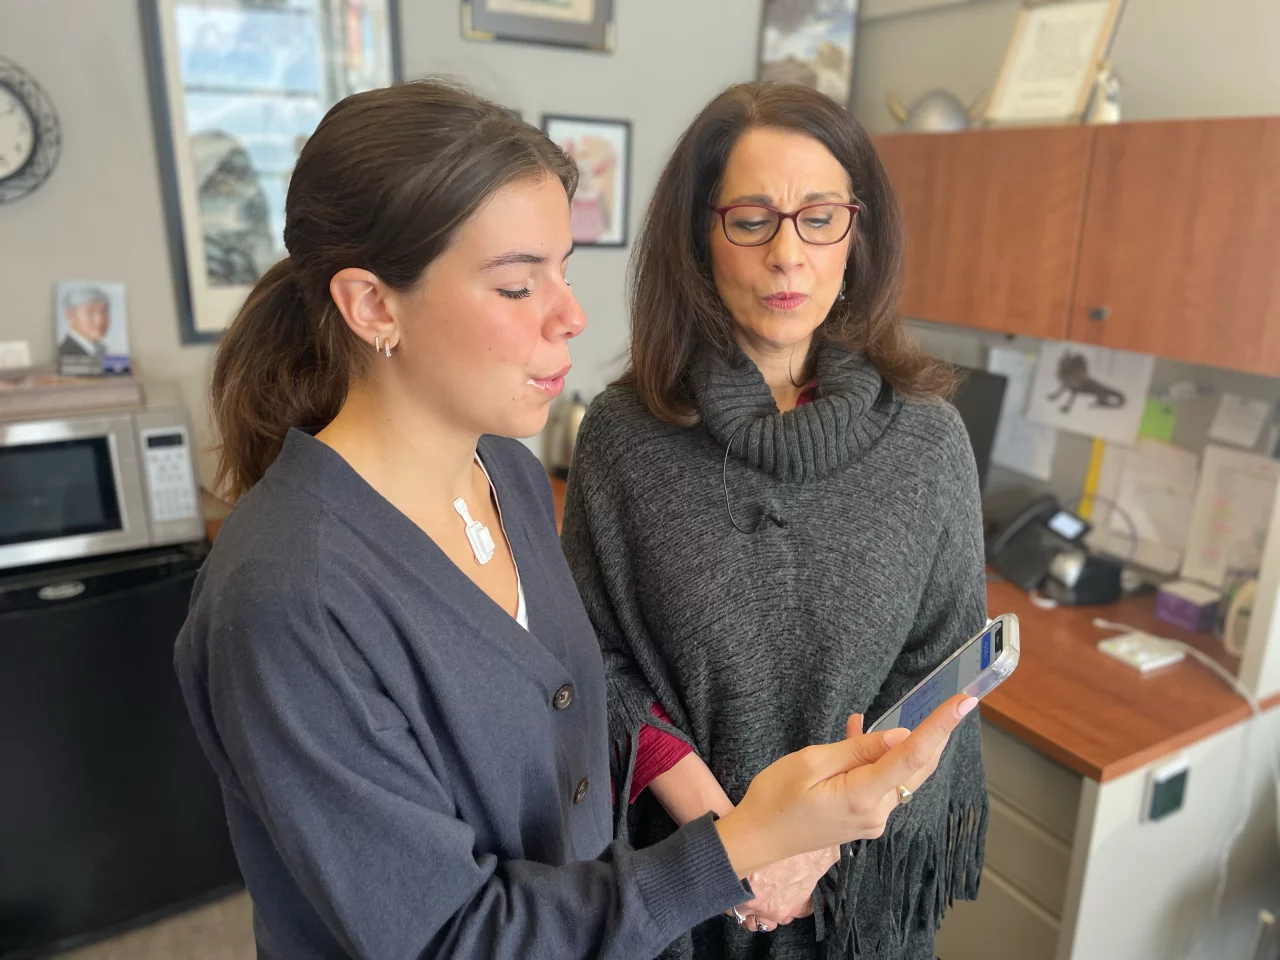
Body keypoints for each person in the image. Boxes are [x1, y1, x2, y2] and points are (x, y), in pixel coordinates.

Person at [173, 80, 977, 960]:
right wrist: (736, 845)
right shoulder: (288, 600)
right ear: (372, 305)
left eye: (564, 269)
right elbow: (453, 935)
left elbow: (575, 721)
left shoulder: (508, 476)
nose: (572, 314)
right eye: (520, 284)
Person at [561, 81, 989, 960]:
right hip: (679, 888)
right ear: (700, 240)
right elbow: (593, 661)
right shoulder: (622, 437)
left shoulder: (928, 440)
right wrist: (738, 848)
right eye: (752, 219)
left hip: (858, 904)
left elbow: (944, 676)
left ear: (856, 236)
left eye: (819, 216)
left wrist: (815, 850)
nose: (788, 255)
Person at [57, 285, 111, 374]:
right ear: (69, 315)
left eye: (104, 311)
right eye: (90, 312)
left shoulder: (103, 350)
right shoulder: (65, 352)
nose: (99, 320)